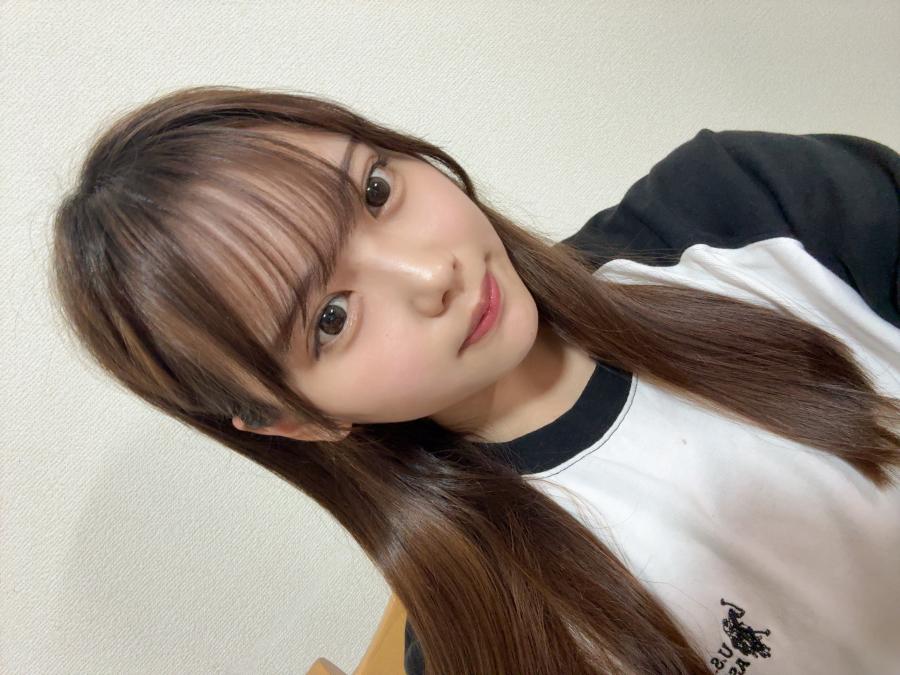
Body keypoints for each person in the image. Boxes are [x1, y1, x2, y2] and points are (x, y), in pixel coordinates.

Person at [49, 85, 899, 675]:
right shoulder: (491, 642)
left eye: (375, 190)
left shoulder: (734, 208)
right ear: (295, 421)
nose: (430, 274)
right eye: (330, 318)